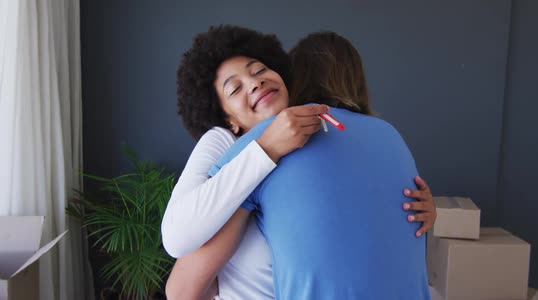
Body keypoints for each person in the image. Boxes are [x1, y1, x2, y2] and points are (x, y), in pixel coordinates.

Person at [162, 26, 435, 299]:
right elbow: (180, 264)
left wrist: (417, 211)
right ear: (228, 120)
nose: (255, 83)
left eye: (259, 71)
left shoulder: (321, 137)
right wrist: (265, 148)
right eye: (234, 89)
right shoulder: (224, 142)